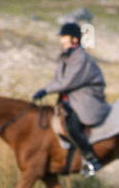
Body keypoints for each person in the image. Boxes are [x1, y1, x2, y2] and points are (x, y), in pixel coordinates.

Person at [33, 22, 108, 176]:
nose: (61, 41)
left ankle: (91, 159)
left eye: (64, 37)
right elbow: (58, 80)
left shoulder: (80, 57)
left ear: (74, 39)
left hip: (85, 99)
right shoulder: (66, 57)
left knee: (71, 126)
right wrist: (43, 91)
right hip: (71, 98)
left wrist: (46, 90)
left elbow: (67, 82)